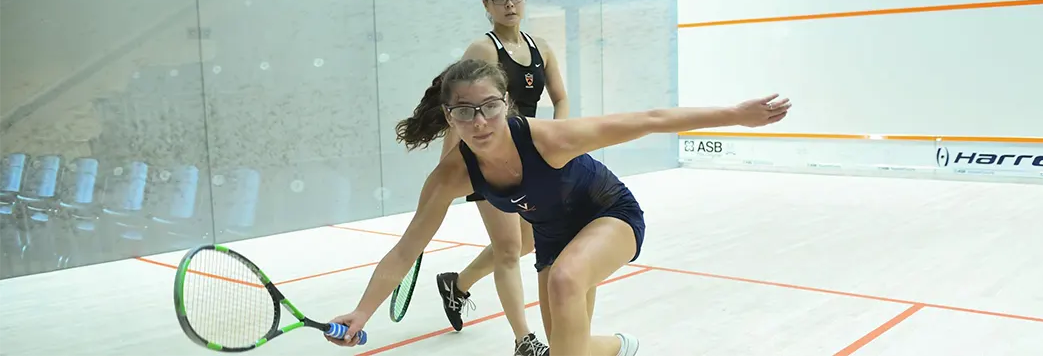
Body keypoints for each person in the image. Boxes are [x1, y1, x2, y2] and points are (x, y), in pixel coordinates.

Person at [325, 58, 792, 356]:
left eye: (489, 106)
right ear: (450, 116)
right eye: (465, 111)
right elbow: (405, 252)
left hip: (609, 214)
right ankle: (622, 348)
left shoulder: (549, 139)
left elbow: (649, 120)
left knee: (566, 280)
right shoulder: (451, 175)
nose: (480, 121)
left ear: (507, 103)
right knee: (570, 348)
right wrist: (361, 313)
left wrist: (736, 115)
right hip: (553, 238)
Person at [432, 0, 570, 354]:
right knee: (509, 249)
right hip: (485, 159)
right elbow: (457, 109)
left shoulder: (541, 48)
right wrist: (446, 170)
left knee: (524, 244)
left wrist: (558, 140)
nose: (509, 4)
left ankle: (456, 284)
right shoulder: (483, 49)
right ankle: (524, 341)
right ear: (486, 5)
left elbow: (560, 98)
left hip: (527, 160)